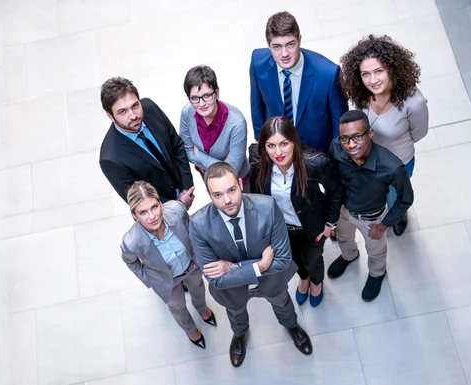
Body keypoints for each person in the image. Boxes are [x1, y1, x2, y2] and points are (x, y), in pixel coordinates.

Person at [189, 162, 312, 367]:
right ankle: (240, 335)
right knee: (236, 314)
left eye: (231, 190)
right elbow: (215, 279)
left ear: (239, 183)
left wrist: (234, 267)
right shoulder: (198, 224)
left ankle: (291, 326)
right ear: (209, 194)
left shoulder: (267, 207)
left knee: (283, 303)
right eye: (218, 195)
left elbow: (282, 260)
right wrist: (260, 265)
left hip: (272, 280)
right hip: (232, 290)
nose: (227, 200)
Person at [340, 34, 428, 236]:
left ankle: (398, 216)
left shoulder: (414, 102)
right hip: (368, 157)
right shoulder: (362, 93)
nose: (372, 80)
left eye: (378, 71)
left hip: (399, 160)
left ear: (391, 68)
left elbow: (419, 133)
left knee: (395, 196)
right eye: (365, 74)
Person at [249, 116, 342, 307]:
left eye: (284, 144)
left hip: (312, 226)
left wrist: (330, 223)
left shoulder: (316, 164)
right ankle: (304, 278)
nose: (278, 152)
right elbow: (257, 199)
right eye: (271, 145)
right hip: (282, 229)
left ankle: (316, 281)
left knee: (312, 259)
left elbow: (336, 192)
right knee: (295, 260)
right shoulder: (258, 164)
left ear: (294, 141)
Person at [328, 110, 414, 302]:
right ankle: (349, 256)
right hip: (344, 209)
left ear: (370, 133)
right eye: (345, 138)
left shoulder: (392, 167)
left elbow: (406, 198)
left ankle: (377, 274)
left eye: (357, 136)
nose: (350, 145)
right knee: (343, 238)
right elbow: (332, 180)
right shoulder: (335, 148)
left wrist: (384, 225)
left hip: (372, 218)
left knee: (376, 251)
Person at [120, 181, 217, 349]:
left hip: (191, 266)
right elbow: (131, 262)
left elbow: (192, 233)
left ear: (160, 204)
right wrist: (150, 280)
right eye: (143, 212)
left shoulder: (177, 211)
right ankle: (190, 329)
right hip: (166, 280)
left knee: (198, 288)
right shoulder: (131, 241)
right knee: (177, 306)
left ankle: (202, 308)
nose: (152, 216)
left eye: (154, 207)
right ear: (134, 215)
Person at [249, 11, 348, 153]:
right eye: (277, 46)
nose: (284, 54)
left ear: (299, 40)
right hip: (277, 152)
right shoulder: (257, 63)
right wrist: (263, 144)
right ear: (268, 45)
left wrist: (333, 161)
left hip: (315, 154)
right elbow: (256, 107)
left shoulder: (328, 74)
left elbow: (339, 123)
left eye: (290, 44)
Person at [99, 77, 196, 208]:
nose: (133, 115)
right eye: (123, 111)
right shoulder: (111, 158)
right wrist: (178, 206)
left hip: (183, 192)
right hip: (159, 212)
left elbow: (177, 146)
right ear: (110, 116)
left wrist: (186, 190)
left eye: (135, 105)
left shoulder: (150, 108)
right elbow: (138, 199)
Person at [179, 65, 250, 190]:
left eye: (207, 96)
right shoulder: (187, 112)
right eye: (195, 98)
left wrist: (199, 156)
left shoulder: (237, 123)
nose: (201, 104)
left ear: (217, 92)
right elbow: (187, 151)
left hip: (237, 183)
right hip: (207, 177)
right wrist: (222, 164)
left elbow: (231, 170)